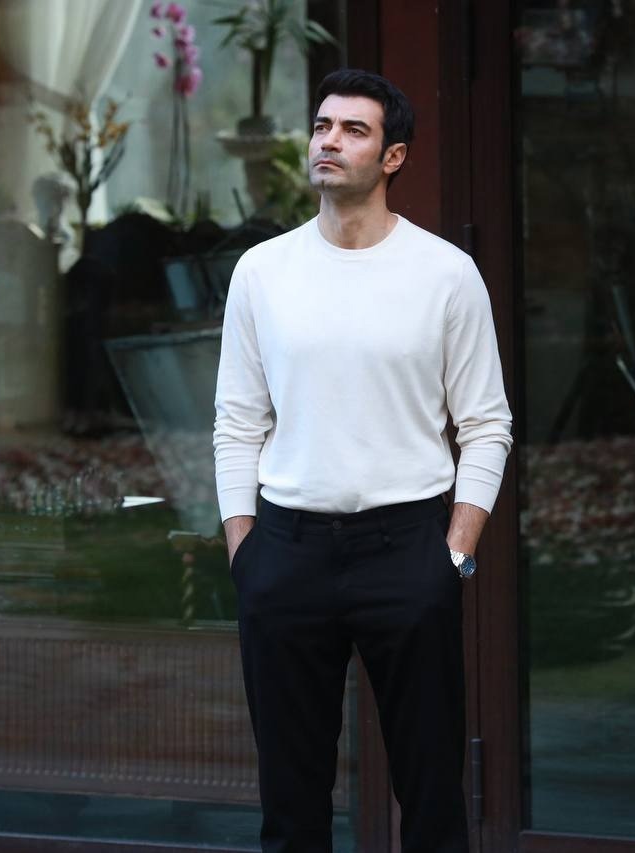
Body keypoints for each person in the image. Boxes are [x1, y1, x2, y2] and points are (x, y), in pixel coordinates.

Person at [212, 68, 513, 853]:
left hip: (407, 549)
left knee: (432, 794)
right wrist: (244, 547)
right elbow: (237, 422)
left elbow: (487, 424)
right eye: (322, 125)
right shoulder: (262, 271)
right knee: (291, 803)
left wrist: (453, 552)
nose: (329, 141)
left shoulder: (445, 273)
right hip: (286, 550)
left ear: (393, 157)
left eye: (353, 130)